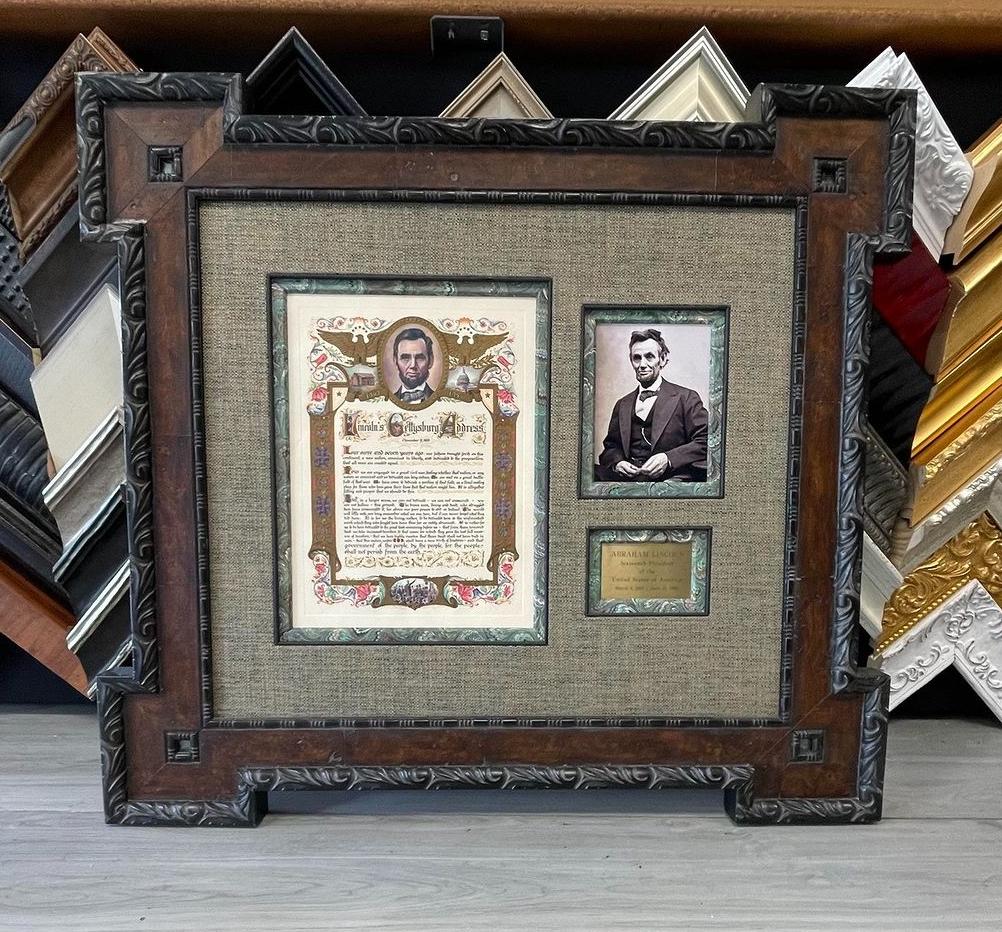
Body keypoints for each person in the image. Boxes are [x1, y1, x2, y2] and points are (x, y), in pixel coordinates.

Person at [597, 328, 708, 482]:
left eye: (649, 357)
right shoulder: (622, 404)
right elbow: (611, 447)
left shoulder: (686, 398)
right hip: (629, 480)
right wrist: (617, 463)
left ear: (662, 359)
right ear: (631, 361)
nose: (642, 364)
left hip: (671, 478)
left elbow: (707, 440)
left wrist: (668, 458)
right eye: (637, 358)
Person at [392, 327, 435, 403]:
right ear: (395, 361)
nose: (413, 365)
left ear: (430, 361)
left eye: (419, 358)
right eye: (405, 358)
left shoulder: (440, 400)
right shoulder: (388, 401)